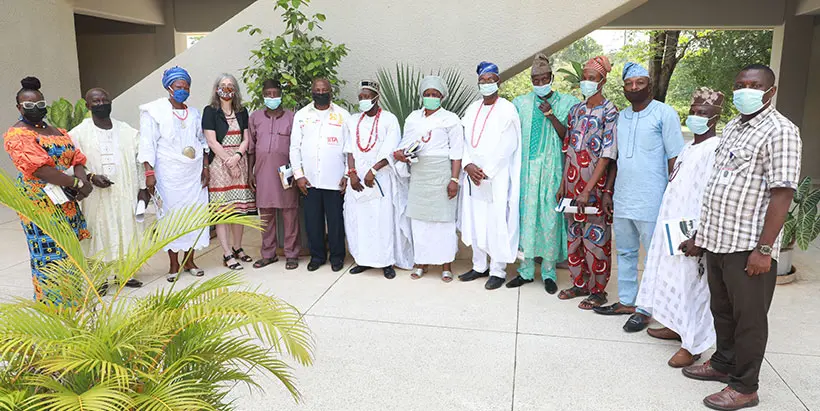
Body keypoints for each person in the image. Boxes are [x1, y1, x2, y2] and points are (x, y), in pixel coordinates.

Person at [682, 64, 801, 411]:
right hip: (718, 238)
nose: (745, 90)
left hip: (749, 245)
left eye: (754, 85)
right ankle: (723, 363)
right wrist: (701, 235)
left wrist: (764, 249)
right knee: (722, 309)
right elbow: (719, 183)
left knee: (749, 319)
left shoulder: (781, 131)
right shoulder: (734, 126)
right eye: (740, 85)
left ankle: (745, 386)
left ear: (770, 91)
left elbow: (782, 194)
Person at [634, 87, 723, 368]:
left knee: (692, 286)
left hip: (692, 231)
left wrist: (700, 235)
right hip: (673, 226)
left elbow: (712, 196)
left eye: (703, 113)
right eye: (693, 112)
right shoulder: (689, 147)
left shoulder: (715, 149)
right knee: (672, 279)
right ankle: (676, 326)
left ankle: (692, 345)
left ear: (715, 117)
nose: (696, 116)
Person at [593, 62, 685, 333]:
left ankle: (647, 309)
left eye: (640, 83)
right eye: (629, 84)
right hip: (623, 197)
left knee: (655, 257)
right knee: (625, 252)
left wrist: (675, 197)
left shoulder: (664, 114)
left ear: (649, 85)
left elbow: (675, 159)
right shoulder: (621, 117)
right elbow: (616, 159)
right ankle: (627, 301)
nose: (634, 88)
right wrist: (608, 191)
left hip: (653, 198)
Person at [4, 76, 92, 303]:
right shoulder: (18, 135)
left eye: (40, 104)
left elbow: (76, 157)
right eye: (29, 105)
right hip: (40, 203)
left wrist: (82, 181)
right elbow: (40, 169)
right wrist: (75, 184)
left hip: (66, 199)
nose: (35, 108)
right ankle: (52, 304)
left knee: (69, 249)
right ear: (19, 107)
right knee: (49, 251)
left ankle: (72, 299)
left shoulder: (57, 131)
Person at [507, 53, 579, 294]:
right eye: (536, 80)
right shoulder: (520, 103)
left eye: (544, 79)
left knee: (549, 220)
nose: (540, 83)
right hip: (527, 172)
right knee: (526, 219)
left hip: (552, 171)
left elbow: (568, 137)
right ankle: (525, 271)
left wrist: (551, 114)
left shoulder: (567, 103)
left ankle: (549, 273)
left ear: (552, 78)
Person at [556, 56, 618, 310]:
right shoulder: (576, 111)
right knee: (574, 237)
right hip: (572, 185)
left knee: (596, 239)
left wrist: (589, 189)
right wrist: (563, 183)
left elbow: (607, 154)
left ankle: (598, 291)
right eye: (584, 77)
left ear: (602, 81)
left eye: (592, 78)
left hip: (594, 188)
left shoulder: (610, 111)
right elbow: (569, 148)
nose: (586, 82)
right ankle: (579, 283)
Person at [69, 88, 146, 288]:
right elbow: (70, 163)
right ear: (88, 105)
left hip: (125, 190)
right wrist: (90, 177)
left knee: (125, 229)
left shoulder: (126, 130)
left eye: (105, 99)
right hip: (95, 196)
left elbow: (140, 160)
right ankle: (99, 278)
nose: (101, 104)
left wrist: (143, 187)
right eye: (96, 101)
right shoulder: (77, 133)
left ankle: (125, 273)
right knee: (98, 232)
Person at [138, 66, 210, 282]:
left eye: (186, 87)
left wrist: (205, 168)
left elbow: (202, 142)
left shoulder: (194, 113)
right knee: (170, 217)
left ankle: (190, 261)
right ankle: (173, 264)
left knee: (194, 216)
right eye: (179, 87)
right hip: (168, 175)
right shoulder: (154, 112)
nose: (183, 91)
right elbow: (147, 144)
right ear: (169, 87)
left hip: (193, 174)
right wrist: (149, 173)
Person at [457, 62, 522, 290]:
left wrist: (487, 171)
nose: (486, 84)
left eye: (490, 79)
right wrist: (467, 165)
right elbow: (463, 140)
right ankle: (478, 266)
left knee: (496, 222)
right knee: (476, 220)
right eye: (482, 81)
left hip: (496, 177)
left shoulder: (507, 109)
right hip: (472, 176)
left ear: (498, 82)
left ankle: (497, 270)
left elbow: (509, 144)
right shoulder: (472, 109)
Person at [393, 76, 463, 282]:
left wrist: (454, 180)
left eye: (435, 94)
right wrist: (400, 154)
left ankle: (446, 265)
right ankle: (421, 262)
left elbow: (457, 152)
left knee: (443, 221)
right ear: (422, 96)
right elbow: (404, 144)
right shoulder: (413, 118)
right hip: (419, 173)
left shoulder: (451, 119)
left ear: (442, 97)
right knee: (420, 221)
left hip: (442, 173)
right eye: (427, 94)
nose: (431, 97)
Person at [343, 80, 413, 279]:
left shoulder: (389, 119)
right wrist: (352, 173)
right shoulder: (352, 121)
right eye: (361, 97)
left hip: (380, 178)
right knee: (359, 221)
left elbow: (391, 150)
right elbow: (349, 150)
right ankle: (363, 260)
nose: (363, 100)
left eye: (367, 96)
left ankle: (386, 262)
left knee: (382, 221)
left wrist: (373, 170)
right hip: (357, 179)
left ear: (376, 97)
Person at [290, 78, 350, 272]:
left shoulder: (343, 115)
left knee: (335, 222)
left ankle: (337, 257)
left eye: (325, 90)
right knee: (312, 221)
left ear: (331, 92)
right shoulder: (301, 115)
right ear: (312, 92)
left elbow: (350, 149)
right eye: (317, 90)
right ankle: (317, 257)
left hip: (335, 179)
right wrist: (298, 175)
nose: (321, 93)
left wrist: (347, 174)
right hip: (309, 180)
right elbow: (294, 147)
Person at [202, 73, 256, 271]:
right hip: (220, 164)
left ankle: (238, 247)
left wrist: (238, 157)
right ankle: (227, 253)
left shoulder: (242, 111)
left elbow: (246, 139)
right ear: (217, 89)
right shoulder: (210, 111)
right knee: (223, 211)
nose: (227, 88)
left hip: (239, 161)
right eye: (223, 85)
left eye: (230, 85)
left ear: (236, 89)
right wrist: (229, 161)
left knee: (239, 210)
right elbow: (211, 141)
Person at [248, 79, 300, 270]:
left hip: (286, 172)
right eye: (268, 94)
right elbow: (251, 148)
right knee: (266, 214)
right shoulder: (255, 117)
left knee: (289, 213)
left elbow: (298, 146)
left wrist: (298, 172)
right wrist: (250, 173)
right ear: (263, 95)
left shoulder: (292, 117)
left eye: (275, 94)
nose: (272, 97)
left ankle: (292, 254)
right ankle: (268, 254)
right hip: (263, 172)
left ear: (281, 95)